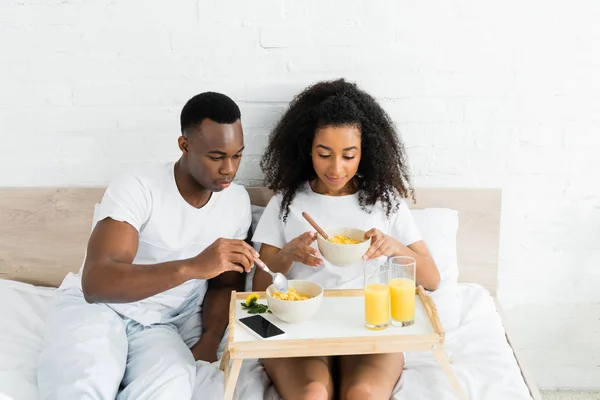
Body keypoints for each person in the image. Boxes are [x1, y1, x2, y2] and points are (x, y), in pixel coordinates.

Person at [37, 92, 258, 400]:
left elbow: (224, 285)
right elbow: (97, 283)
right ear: (185, 146)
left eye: (237, 156)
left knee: (173, 384)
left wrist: (209, 341)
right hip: (98, 310)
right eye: (217, 157)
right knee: (87, 379)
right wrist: (193, 266)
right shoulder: (139, 187)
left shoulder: (236, 202)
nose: (229, 169)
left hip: (159, 326)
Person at [252, 79, 441, 400]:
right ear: (307, 149)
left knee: (363, 394)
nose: (336, 168)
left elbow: (432, 279)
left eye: (348, 155)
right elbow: (258, 289)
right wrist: (288, 254)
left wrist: (392, 246)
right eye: (324, 154)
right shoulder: (287, 201)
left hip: (368, 324)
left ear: (365, 153)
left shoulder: (384, 201)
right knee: (312, 393)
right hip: (302, 325)